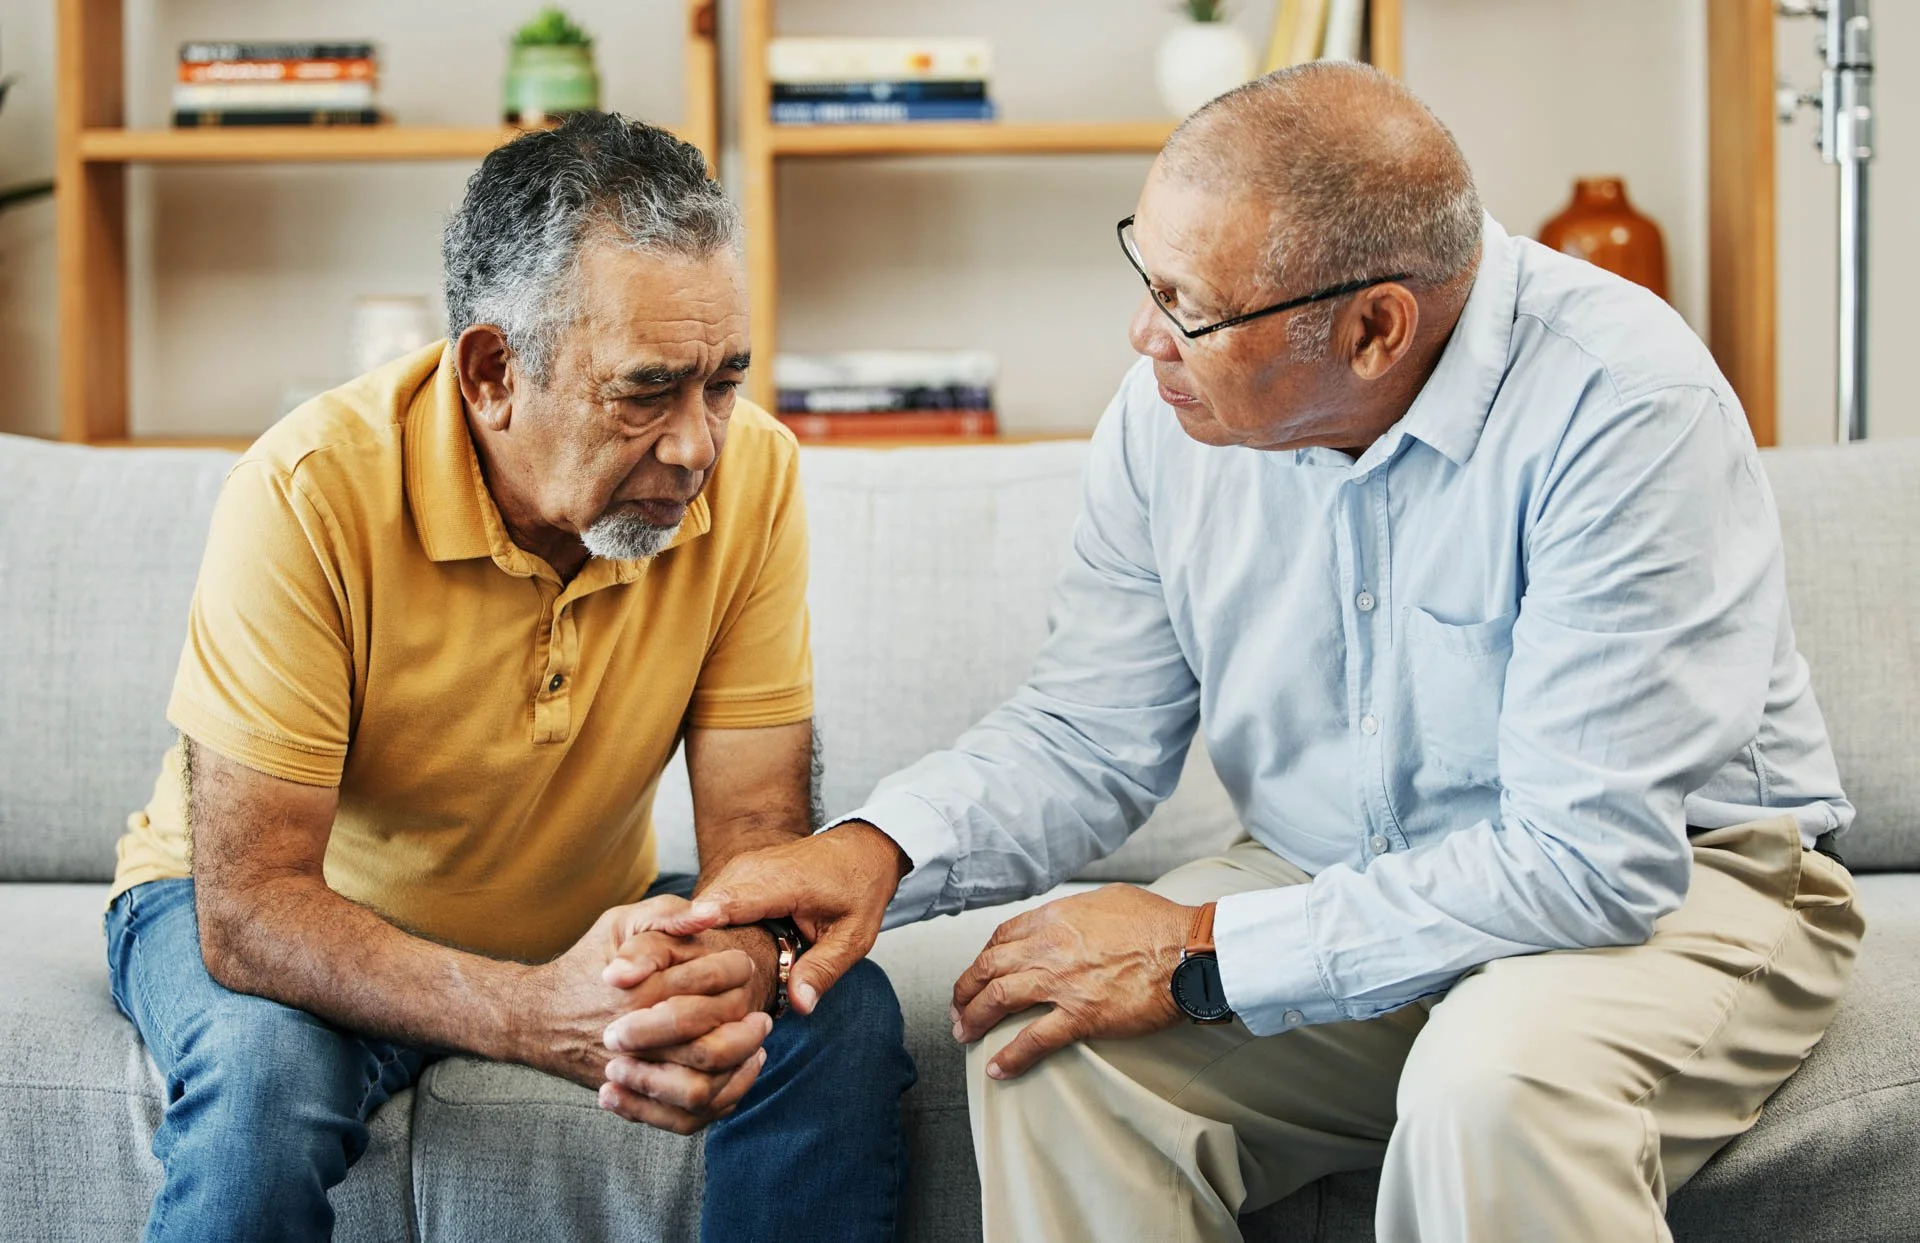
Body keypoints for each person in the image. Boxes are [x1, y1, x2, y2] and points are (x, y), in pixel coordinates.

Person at [659, 63, 1863, 1242]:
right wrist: (881, 849)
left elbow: (1582, 861)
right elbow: (1090, 732)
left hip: (1669, 892)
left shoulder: (1624, 407)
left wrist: (1199, 953)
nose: (1144, 335)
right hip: (1327, 867)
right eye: (1146, 268)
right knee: (1054, 1050)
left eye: (1188, 304)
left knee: (1488, 1094)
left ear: (1374, 329)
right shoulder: (1167, 415)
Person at [105, 112, 913, 1243]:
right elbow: (250, 913)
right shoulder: (307, 488)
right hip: (279, 910)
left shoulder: (752, 474)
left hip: (572, 916)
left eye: (722, 383)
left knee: (839, 1011)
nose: (695, 446)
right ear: (492, 372)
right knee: (258, 1073)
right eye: (645, 391)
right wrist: (533, 1014)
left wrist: (735, 960)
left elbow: (758, 837)